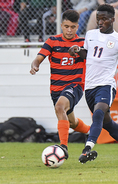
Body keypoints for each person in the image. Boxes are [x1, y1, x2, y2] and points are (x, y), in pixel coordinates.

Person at [69, 4, 118, 166]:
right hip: (89, 87)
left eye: (104, 19)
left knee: (98, 114)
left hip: (106, 85)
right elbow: (87, 54)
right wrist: (76, 50)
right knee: (108, 123)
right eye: (98, 19)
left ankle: (87, 148)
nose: (100, 22)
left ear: (113, 19)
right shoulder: (90, 35)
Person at [30, 10, 91, 159]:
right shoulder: (52, 41)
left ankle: (63, 147)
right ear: (61, 25)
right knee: (72, 122)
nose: (69, 30)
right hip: (56, 89)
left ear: (77, 27)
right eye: (66, 26)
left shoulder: (83, 43)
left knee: (60, 107)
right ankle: (93, 132)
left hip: (75, 85)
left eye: (73, 27)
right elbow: (38, 58)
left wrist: (79, 52)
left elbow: (87, 55)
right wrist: (35, 65)